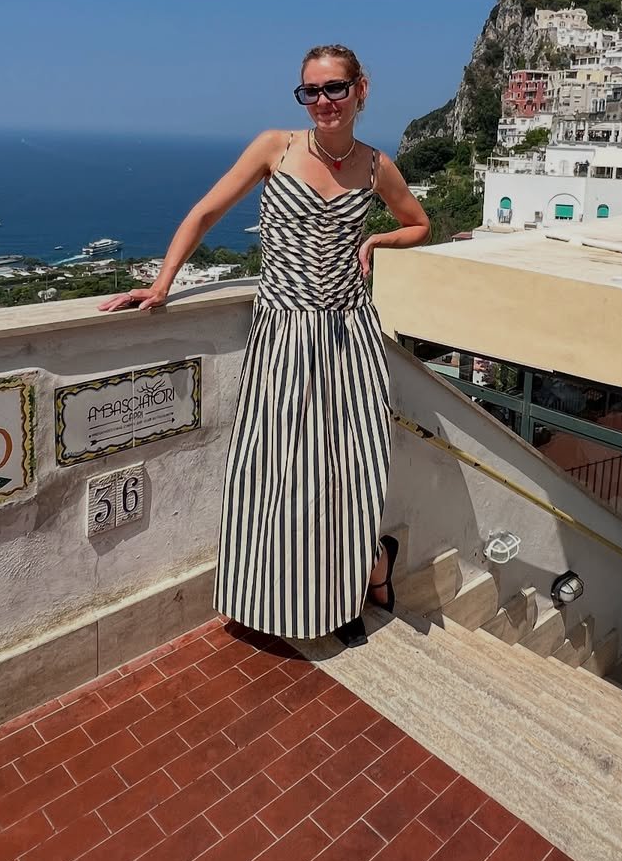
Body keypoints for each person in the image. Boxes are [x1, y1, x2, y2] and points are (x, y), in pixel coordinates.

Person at [99, 45, 430, 647]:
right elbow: (205, 213)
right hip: (281, 332)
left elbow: (419, 223)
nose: (323, 102)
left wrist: (378, 238)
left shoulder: (377, 166)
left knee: (347, 475)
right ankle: (289, 594)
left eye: (334, 88)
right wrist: (162, 283)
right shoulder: (274, 147)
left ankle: (354, 584)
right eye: (311, 91)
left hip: (348, 335)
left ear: (361, 89)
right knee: (274, 476)